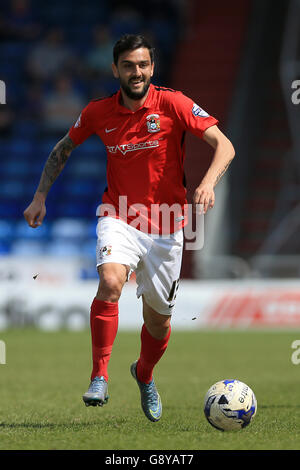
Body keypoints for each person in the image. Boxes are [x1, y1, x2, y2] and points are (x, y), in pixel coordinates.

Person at [23, 34, 235, 422]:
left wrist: (207, 183)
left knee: (159, 321)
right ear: (115, 69)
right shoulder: (98, 112)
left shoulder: (173, 102)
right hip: (118, 214)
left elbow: (224, 145)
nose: (135, 72)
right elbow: (62, 149)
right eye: (128, 65)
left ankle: (144, 373)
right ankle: (99, 375)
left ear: (152, 68)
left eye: (142, 65)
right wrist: (40, 196)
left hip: (168, 228)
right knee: (111, 282)